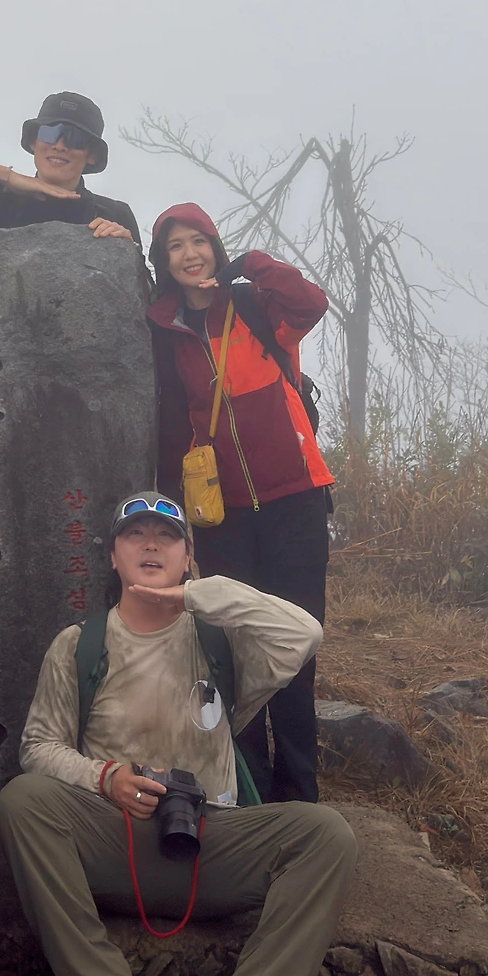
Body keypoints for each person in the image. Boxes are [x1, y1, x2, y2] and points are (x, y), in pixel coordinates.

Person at [0, 493, 357, 976]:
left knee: (327, 835)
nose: (150, 545)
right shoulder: (78, 645)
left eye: (166, 536)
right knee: (22, 800)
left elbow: (305, 632)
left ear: (190, 557)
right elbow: (37, 747)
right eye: (134, 534)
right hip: (116, 840)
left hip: (212, 840)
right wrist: (105, 778)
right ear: (113, 556)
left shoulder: (222, 641)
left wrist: (196, 597)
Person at [146, 203, 335, 804]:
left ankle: (298, 793)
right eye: (176, 246)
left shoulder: (254, 305)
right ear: (163, 261)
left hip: (295, 502)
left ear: (215, 248)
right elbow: (171, 430)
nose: (190, 254)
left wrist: (249, 265)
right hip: (220, 514)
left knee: (296, 642)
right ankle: (247, 787)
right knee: (232, 647)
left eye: (199, 241)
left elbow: (310, 302)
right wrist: (176, 522)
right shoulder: (163, 330)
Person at [0, 91, 141, 245]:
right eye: (49, 132)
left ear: (92, 154)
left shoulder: (114, 215)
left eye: (74, 138)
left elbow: (147, 294)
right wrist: (11, 178)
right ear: (33, 142)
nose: (59, 146)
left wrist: (127, 250)